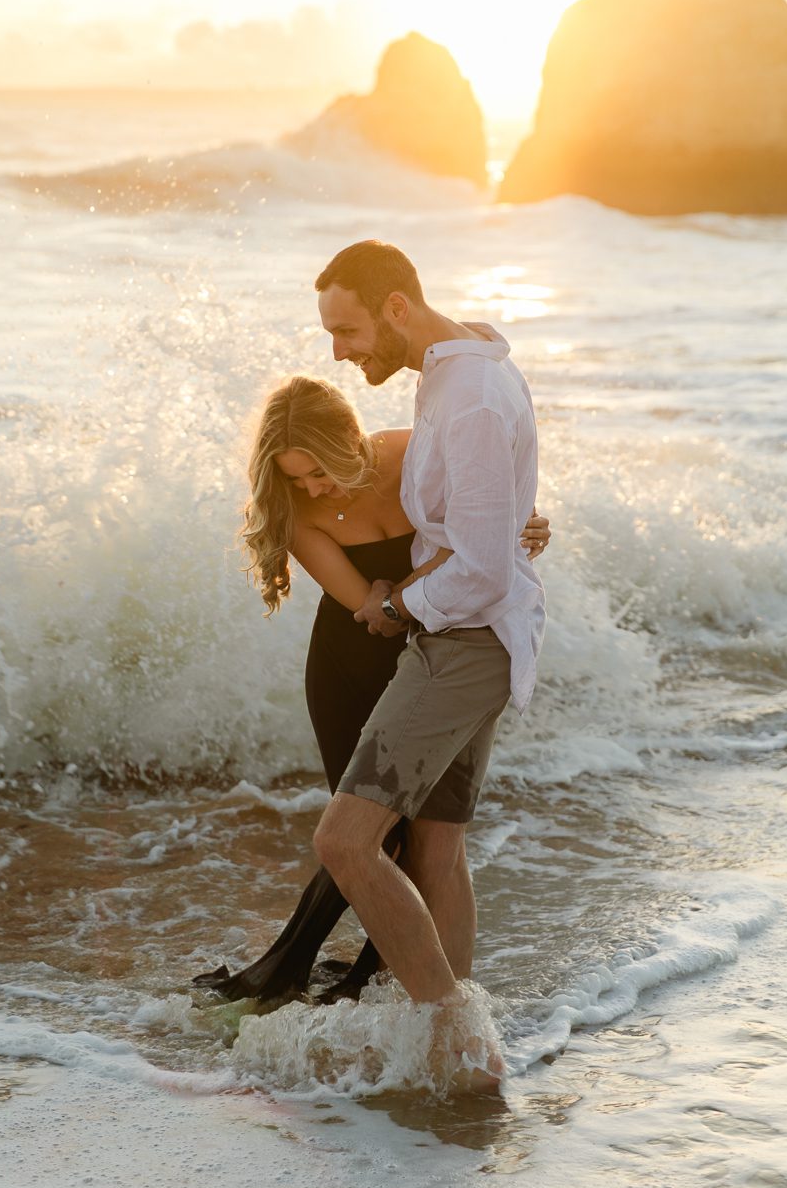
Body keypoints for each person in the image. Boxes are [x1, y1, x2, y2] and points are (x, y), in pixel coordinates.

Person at [195, 374, 549, 1004]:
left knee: (431, 839)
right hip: (351, 664)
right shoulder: (294, 511)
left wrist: (515, 530)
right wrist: (482, 544)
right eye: (296, 478)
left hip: (440, 657)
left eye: (318, 473)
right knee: (370, 834)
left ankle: (387, 981)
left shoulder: (418, 450)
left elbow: (492, 515)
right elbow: (373, 612)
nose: (311, 489)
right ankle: (284, 973)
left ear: (348, 441)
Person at [309, 241, 545, 1077]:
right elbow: (489, 528)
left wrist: (397, 603)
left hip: (464, 643)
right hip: (466, 634)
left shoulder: (472, 395)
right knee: (437, 849)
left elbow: (479, 566)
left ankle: (459, 1038)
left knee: (345, 841)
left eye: (347, 329)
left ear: (397, 308)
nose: (339, 351)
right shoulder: (453, 379)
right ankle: (456, 1045)